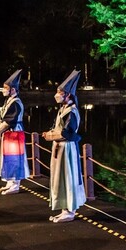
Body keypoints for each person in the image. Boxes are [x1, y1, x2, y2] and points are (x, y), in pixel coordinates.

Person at [42, 70, 86, 223]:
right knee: (59, 177)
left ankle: (70, 209)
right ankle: (63, 208)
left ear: (68, 95)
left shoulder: (72, 112)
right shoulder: (63, 109)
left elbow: (67, 133)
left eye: (60, 92)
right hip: (59, 148)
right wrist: (50, 133)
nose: (57, 94)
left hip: (66, 148)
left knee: (68, 177)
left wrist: (50, 136)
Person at [0, 69, 28, 195]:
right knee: (8, 157)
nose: (3, 89)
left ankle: (15, 184)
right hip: (7, 133)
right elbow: (1, 117)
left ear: (13, 89)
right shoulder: (8, 101)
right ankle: (9, 182)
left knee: (15, 158)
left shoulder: (16, 103)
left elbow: (9, 120)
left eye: (6, 87)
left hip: (14, 132)